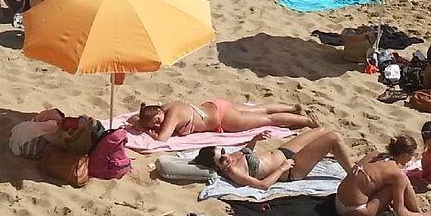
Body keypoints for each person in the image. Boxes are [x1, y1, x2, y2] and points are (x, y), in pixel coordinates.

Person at [193, 126, 357, 191]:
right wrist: (282, 168)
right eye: (221, 160)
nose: (226, 156)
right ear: (218, 167)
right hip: (292, 169)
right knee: (333, 138)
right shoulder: (235, 172)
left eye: (223, 151)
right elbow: (263, 185)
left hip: (283, 152)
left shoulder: (231, 157)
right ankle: (354, 174)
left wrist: (255, 139)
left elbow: (245, 151)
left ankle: (347, 160)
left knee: (323, 131)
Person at [334, 134, 429, 216]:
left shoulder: (374, 155)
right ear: (405, 154)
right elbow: (400, 213)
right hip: (354, 213)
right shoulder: (396, 173)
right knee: (399, 181)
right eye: (411, 155)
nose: (411, 158)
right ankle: (418, 214)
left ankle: (417, 211)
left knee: (397, 180)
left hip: (338, 201)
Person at [133, 99, 315, 141]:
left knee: (267, 119)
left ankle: (306, 121)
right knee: (260, 109)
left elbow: (162, 139)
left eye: (157, 120)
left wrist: (149, 132)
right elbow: (136, 117)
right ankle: (292, 108)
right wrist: (143, 123)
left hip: (223, 118)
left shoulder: (173, 115)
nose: (158, 124)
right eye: (155, 124)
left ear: (159, 111)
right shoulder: (167, 106)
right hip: (216, 105)